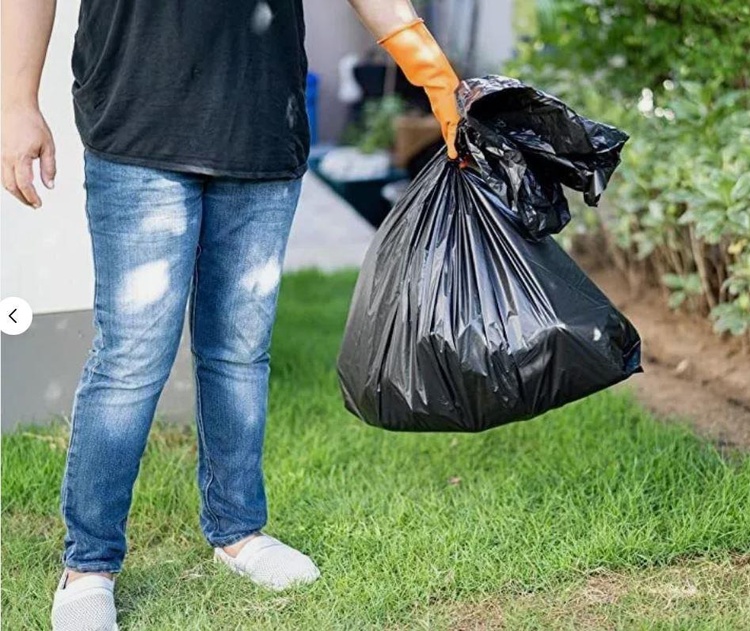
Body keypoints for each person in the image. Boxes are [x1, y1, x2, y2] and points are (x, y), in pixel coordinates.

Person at [1, 0, 460, 628]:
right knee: (133, 357)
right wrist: (16, 100)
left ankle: (238, 531)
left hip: (263, 129)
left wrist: (434, 73)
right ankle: (88, 564)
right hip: (138, 121)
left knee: (239, 351)